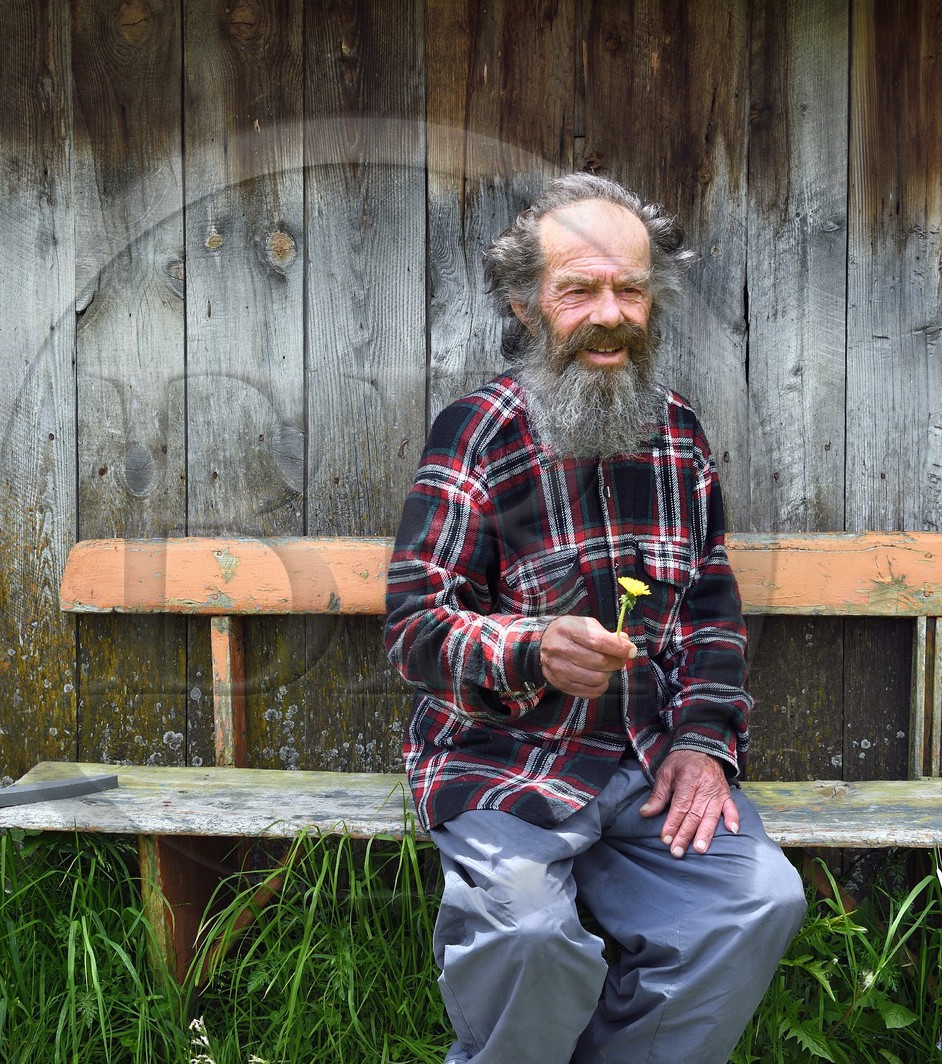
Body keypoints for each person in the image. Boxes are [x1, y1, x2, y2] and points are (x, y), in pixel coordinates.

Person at [383, 172, 806, 1064]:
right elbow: (416, 627)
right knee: (530, 936)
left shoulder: (679, 433)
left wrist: (704, 744)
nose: (609, 316)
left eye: (630, 291)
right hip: (505, 760)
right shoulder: (478, 432)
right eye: (579, 290)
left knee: (757, 901)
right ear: (526, 304)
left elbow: (709, 611)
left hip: (648, 761)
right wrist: (529, 649)